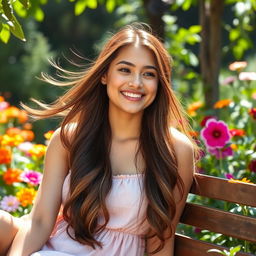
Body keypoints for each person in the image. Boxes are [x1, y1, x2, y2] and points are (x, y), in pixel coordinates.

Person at [0, 23, 197, 256]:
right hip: (58, 247)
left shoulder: (175, 149)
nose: (136, 82)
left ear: (160, 83)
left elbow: (161, 241)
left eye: (149, 74)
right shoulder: (70, 138)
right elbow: (41, 221)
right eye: (125, 70)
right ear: (104, 75)